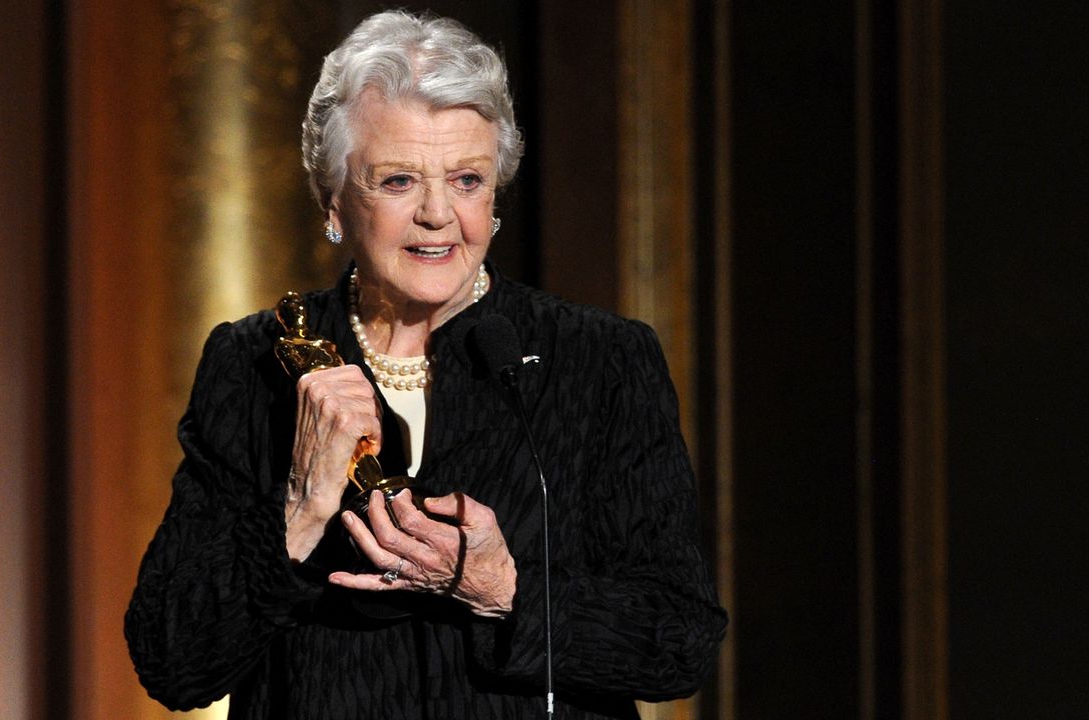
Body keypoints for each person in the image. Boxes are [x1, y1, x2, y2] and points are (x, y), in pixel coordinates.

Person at [125, 10, 726, 719]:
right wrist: (301, 510)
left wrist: (506, 588)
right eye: (399, 181)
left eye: (468, 180)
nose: (439, 214)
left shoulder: (599, 360)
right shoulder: (253, 363)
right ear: (332, 202)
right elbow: (171, 661)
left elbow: (680, 640)